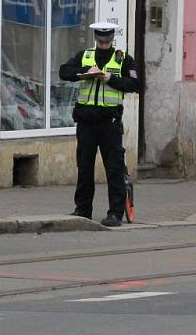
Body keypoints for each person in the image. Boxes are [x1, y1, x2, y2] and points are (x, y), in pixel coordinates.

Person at [59, 22, 141, 227]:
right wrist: (85, 71)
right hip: (86, 122)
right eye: (100, 41)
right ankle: (83, 209)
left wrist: (110, 78)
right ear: (96, 39)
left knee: (114, 169)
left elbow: (134, 84)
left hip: (109, 123)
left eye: (107, 41)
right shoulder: (85, 55)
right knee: (84, 167)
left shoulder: (123, 58)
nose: (104, 44)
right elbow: (64, 71)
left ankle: (115, 213)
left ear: (112, 39)